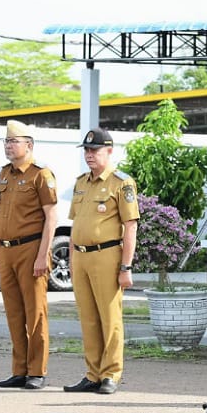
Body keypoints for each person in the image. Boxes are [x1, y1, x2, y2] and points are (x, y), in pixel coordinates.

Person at [63, 127, 139, 396]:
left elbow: (130, 226)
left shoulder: (121, 183)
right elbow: (75, 225)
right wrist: (72, 262)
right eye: (86, 150)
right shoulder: (81, 182)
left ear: (109, 151)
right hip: (82, 256)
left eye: (94, 150)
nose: (89, 155)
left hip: (107, 255)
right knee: (88, 318)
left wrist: (126, 267)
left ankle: (111, 373)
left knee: (110, 318)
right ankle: (92, 373)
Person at [0, 120, 58, 390]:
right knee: (14, 313)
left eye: (13, 142)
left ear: (28, 145)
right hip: (7, 250)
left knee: (35, 313)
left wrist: (43, 255)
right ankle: (19, 369)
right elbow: (2, 216)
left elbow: (51, 217)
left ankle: (36, 371)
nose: (9, 146)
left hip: (31, 249)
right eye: (6, 142)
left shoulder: (41, 175)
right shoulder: (5, 173)